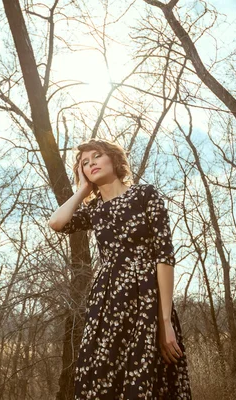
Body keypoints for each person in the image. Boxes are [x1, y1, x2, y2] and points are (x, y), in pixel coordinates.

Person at [49, 138, 192, 399]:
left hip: (146, 301)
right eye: (84, 163)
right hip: (107, 305)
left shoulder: (144, 194)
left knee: (148, 375)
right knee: (101, 378)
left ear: (114, 159)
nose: (90, 163)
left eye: (96, 156)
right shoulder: (94, 210)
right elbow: (57, 222)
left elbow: (164, 257)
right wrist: (83, 190)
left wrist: (165, 320)